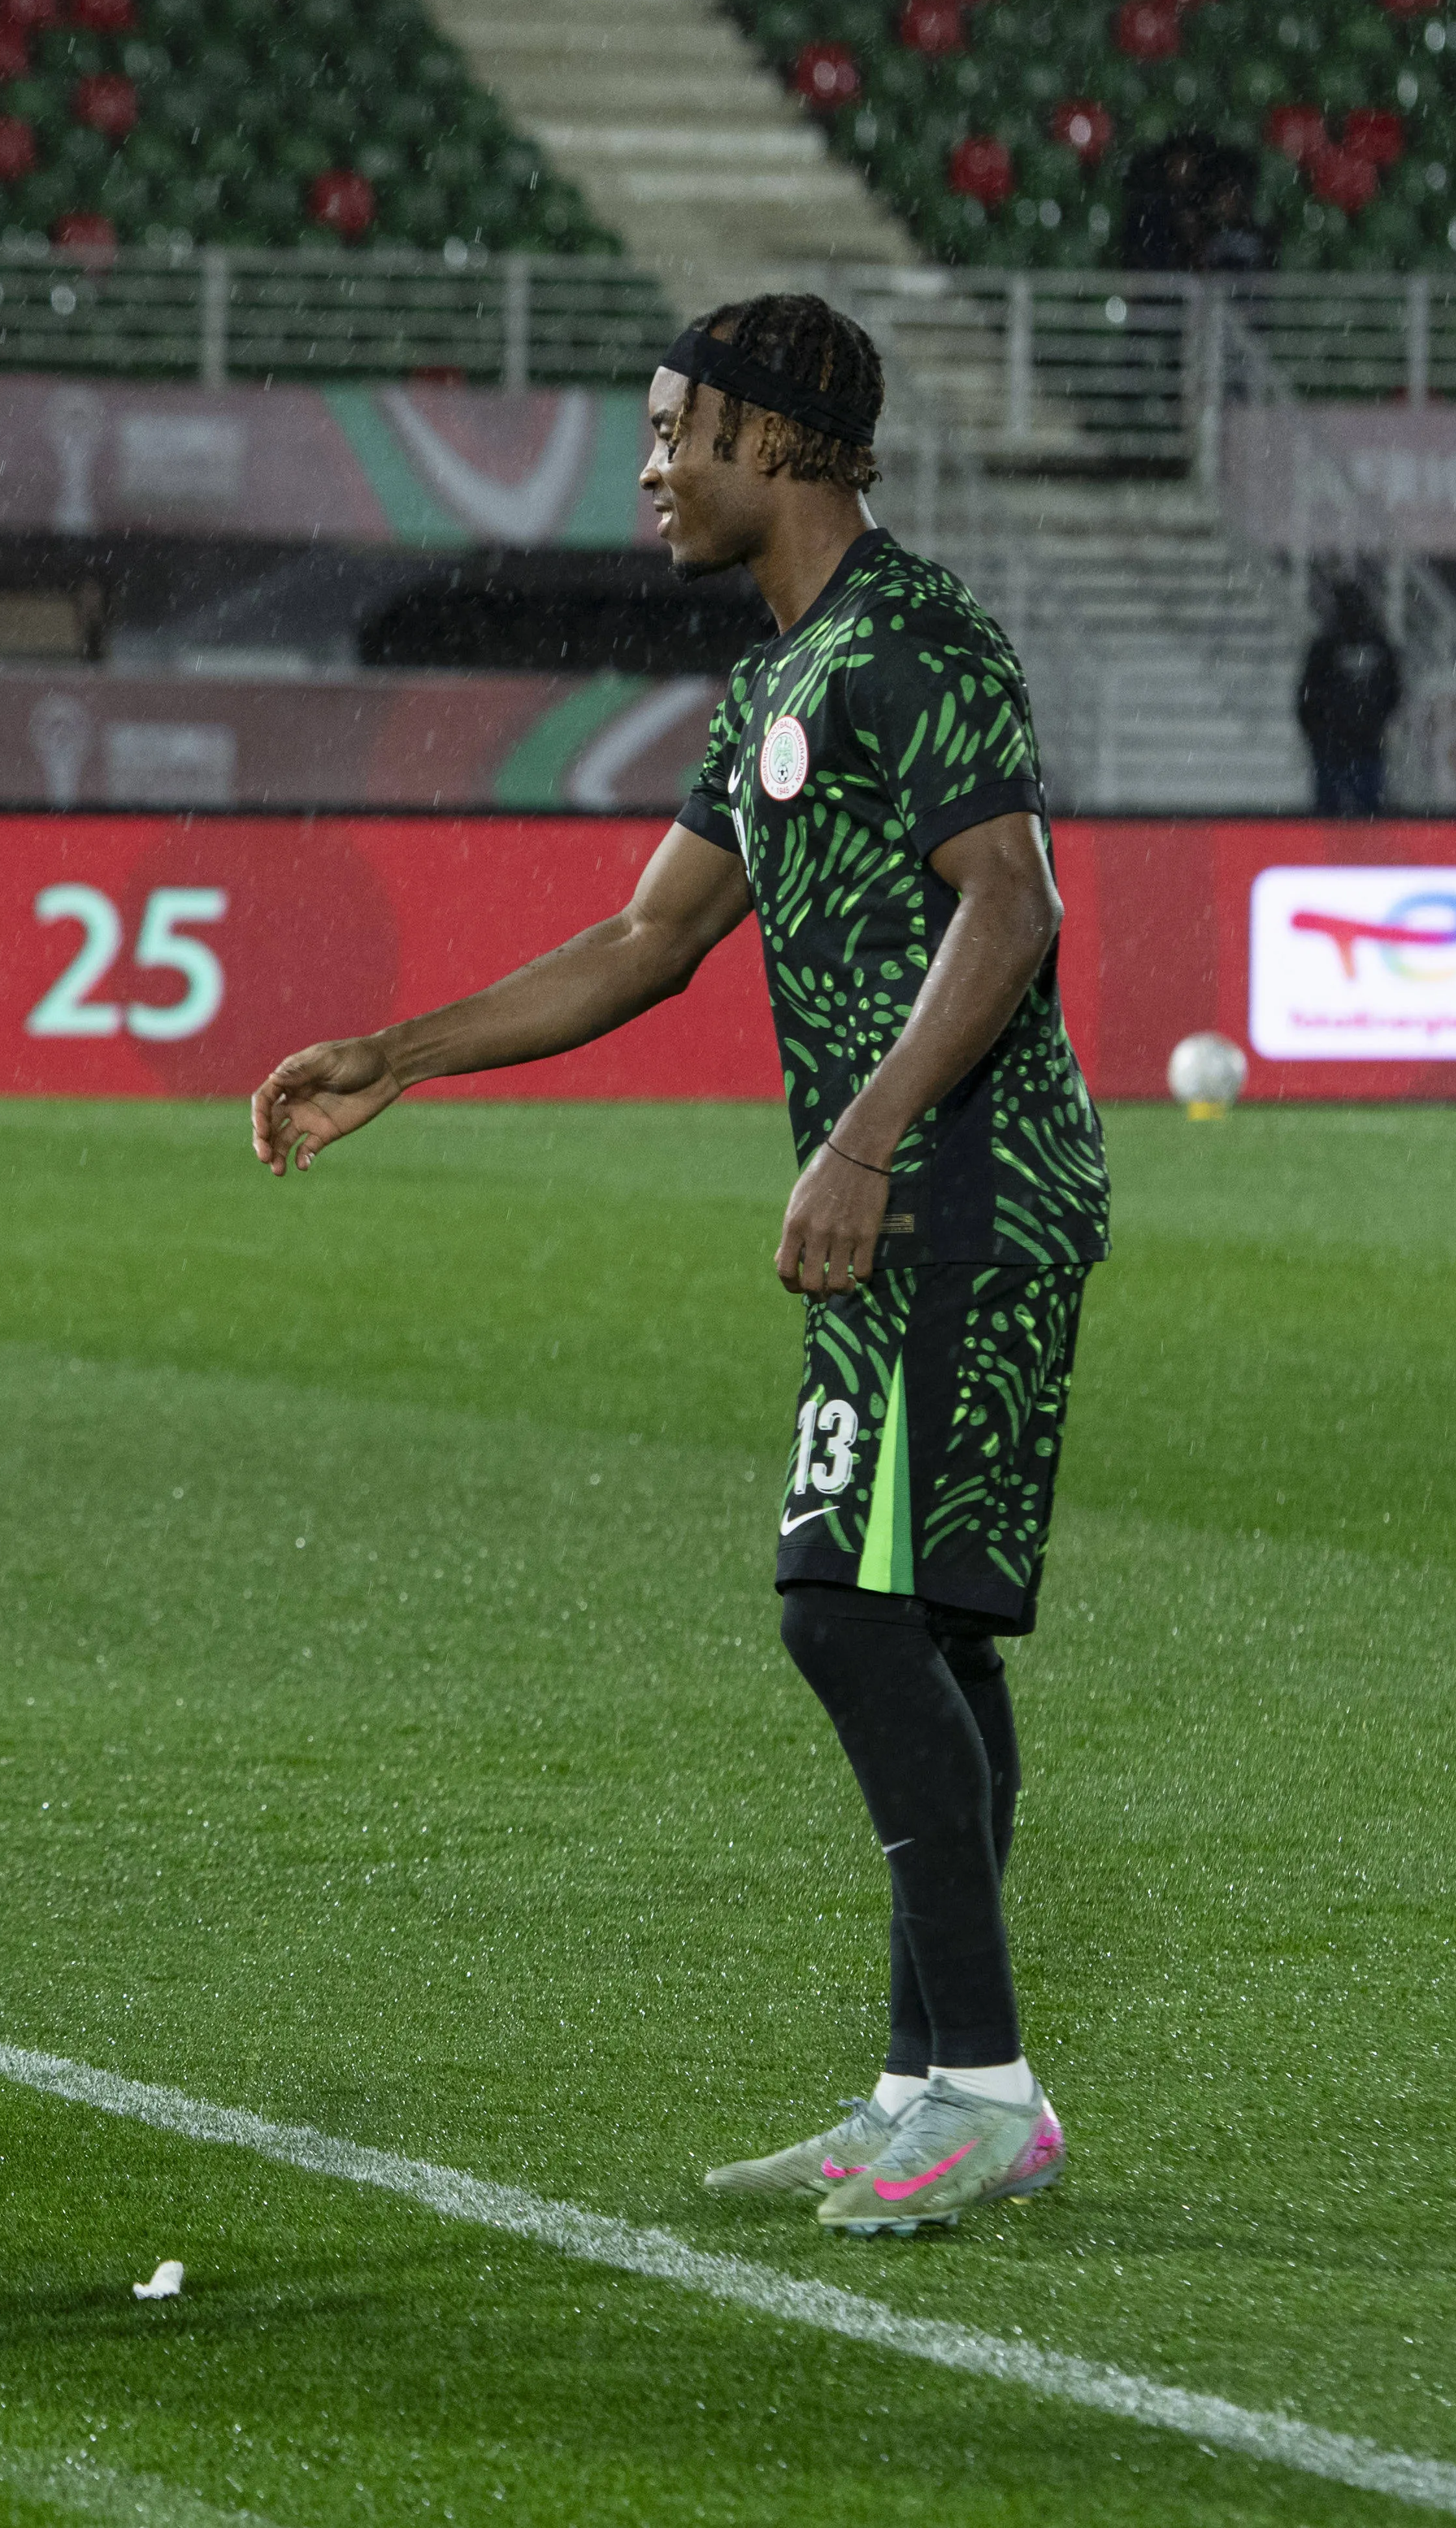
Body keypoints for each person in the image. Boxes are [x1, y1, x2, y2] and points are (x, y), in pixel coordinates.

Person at [251, 296, 1110, 2240]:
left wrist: (861, 1140)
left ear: (773, 439)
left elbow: (1011, 904)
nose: (645, 470)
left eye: (672, 433)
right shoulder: (773, 683)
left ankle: (982, 2088)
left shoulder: (912, 639)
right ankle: (925, 2088)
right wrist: (399, 1052)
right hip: (912, 1205)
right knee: (916, 1628)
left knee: (846, 1618)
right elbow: (641, 945)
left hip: (964, 1200)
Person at [1297, 580, 1404, 818]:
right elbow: (1393, 692)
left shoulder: (1328, 646)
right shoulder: (1373, 645)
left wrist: (1320, 731)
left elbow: (1307, 696)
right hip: (1357, 744)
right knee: (1364, 811)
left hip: (1345, 745)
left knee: (1337, 811)